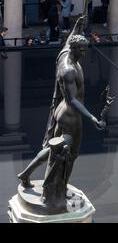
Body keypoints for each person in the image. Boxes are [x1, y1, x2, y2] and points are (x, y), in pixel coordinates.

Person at [17, 28, 106, 188]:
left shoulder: (65, 55)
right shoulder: (68, 70)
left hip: (62, 111)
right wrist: (91, 117)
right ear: (73, 48)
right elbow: (72, 100)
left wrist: (77, 25)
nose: (84, 53)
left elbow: (68, 40)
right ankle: (60, 188)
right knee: (71, 154)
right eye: (81, 49)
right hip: (70, 115)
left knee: (53, 147)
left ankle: (26, 174)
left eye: (86, 49)